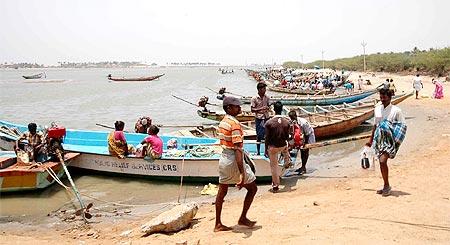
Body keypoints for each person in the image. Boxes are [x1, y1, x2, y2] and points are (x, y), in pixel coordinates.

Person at [215, 96, 257, 232]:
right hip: (233, 158)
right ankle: (243, 218)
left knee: (222, 192)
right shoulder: (235, 124)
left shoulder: (223, 122)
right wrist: (241, 173)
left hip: (224, 157)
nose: (239, 108)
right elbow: (238, 151)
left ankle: (218, 223)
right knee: (252, 189)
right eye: (237, 106)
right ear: (229, 108)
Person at [366, 88, 407, 197]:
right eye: (381, 97)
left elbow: (402, 127)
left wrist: (395, 141)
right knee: (381, 161)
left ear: (390, 98)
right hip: (379, 140)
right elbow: (375, 125)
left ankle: (386, 185)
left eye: (384, 98)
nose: (382, 100)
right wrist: (370, 140)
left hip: (390, 140)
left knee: (383, 161)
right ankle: (386, 185)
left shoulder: (396, 111)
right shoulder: (377, 109)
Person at [264, 101, 292, 192]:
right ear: (282, 109)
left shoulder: (269, 123)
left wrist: (265, 149)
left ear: (274, 110)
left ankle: (276, 185)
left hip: (273, 147)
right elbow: (287, 137)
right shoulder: (287, 122)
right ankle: (287, 160)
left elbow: (267, 138)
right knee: (285, 147)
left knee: (274, 167)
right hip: (283, 145)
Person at [288, 111, 316, 175]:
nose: (292, 119)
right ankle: (302, 167)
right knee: (300, 150)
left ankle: (303, 168)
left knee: (305, 151)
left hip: (308, 136)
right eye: (291, 118)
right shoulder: (291, 122)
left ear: (296, 116)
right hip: (300, 135)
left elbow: (307, 134)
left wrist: (305, 143)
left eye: (293, 117)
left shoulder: (303, 122)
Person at [250, 82, 271, 155]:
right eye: (263, 89)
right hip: (259, 118)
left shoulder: (267, 97)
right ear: (259, 89)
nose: (265, 90)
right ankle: (258, 151)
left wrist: (268, 108)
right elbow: (252, 110)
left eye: (265, 89)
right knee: (258, 135)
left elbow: (268, 106)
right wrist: (261, 109)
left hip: (266, 117)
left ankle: (266, 151)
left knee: (267, 135)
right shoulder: (254, 98)